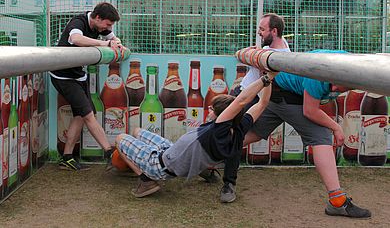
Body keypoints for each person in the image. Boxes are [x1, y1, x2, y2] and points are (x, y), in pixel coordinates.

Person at [222, 51, 372, 218]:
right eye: (334, 84)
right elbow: (310, 111)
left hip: (276, 92)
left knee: (250, 134)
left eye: (342, 88)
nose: (335, 89)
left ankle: (208, 157)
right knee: (321, 137)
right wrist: (336, 127)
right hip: (284, 96)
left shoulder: (353, 68)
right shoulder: (319, 71)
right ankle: (337, 202)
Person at [115, 71, 277, 198]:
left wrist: (265, 78)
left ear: (223, 117)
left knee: (120, 139)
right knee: (137, 132)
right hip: (169, 150)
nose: (209, 110)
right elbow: (262, 104)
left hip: (158, 165)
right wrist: (268, 79)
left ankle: (146, 179)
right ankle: (199, 168)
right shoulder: (239, 128)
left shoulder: (218, 130)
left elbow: (241, 101)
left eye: (213, 110)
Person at [220, 12, 290, 199]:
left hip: (252, 99)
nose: (258, 33)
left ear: (273, 31)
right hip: (241, 93)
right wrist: (251, 54)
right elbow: (241, 55)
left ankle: (228, 184)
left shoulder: (280, 56)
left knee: (235, 136)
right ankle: (207, 164)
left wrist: (254, 56)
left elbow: (265, 76)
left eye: (262, 29)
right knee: (214, 128)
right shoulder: (268, 49)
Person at [50, 2, 121, 171]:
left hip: (79, 75)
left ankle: (66, 157)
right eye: (108, 24)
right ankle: (109, 153)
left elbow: (113, 39)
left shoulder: (100, 27)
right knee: (88, 114)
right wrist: (104, 44)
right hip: (63, 76)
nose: (108, 28)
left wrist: (117, 43)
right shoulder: (78, 22)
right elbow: (76, 39)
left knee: (81, 115)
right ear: (97, 18)